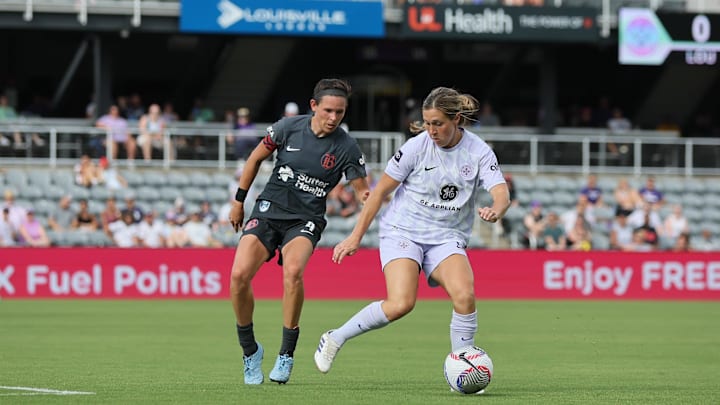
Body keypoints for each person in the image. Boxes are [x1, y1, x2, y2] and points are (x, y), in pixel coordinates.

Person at [312, 86, 510, 379]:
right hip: (403, 230)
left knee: (465, 296)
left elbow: (501, 192)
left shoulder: (478, 151)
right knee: (401, 304)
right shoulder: (416, 148)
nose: (431, 130)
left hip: (446, 236)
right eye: (427, 123)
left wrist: (497, 209)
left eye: (438, 124)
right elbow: (379, 194)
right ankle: (335, 337)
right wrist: (355, 237)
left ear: (456, 119)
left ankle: (462, 368)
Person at [228, 78, 369, 385]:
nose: (334, 118)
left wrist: (373, 202)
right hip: (268, 210)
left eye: (340, 112)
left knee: (293, 273)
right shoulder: (286, 128)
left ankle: (286, 354)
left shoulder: (347, 147)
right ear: (314, 106)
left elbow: (363, 193)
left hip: (305, 220)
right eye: (329, 110)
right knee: (238, 277)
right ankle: (250, 350)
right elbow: (254, 159)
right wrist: (239, 202)